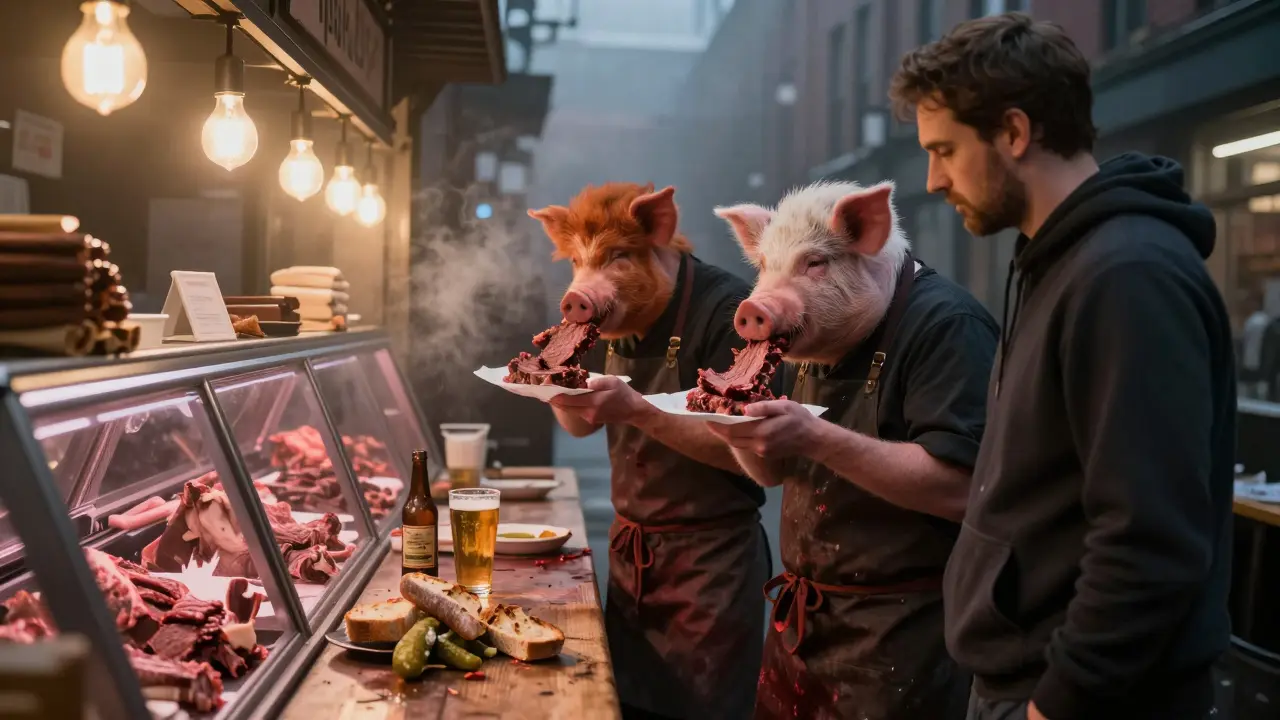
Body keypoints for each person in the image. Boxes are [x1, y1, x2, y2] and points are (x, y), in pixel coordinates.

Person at [890, 12, 1236, 720]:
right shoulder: (1059, 261)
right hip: (1025, 681)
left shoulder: (1127, 276)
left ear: (1015, 132)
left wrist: (1057, 702)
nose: (933, 179)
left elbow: (1150, 541)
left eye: (946, 150)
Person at [708, 180, 998, 719]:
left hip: (903, 639)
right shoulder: (809, 340)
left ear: (865, 232)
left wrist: (817, 437)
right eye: (767, 267)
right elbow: (773, 472)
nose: (769, 291)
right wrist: (735, 429)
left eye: (812, 265)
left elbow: (962, 488)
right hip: (803, 625)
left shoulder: (945, 327)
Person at [528, 182, 770, 720]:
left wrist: (638, 410)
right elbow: (581, 426)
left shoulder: (729, 312)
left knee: (701, 710)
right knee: (630, 705)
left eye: (615, 258)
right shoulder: (611, 319)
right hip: (633, 558)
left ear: (658, 229)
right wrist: (553, 383)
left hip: (711, 566)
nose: (585, 282)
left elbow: (751, 451)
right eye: (578, 261)